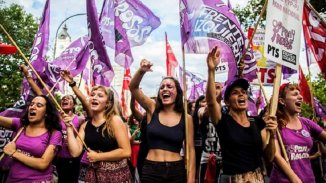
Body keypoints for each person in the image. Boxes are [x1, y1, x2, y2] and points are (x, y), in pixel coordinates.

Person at [206, 46, 277, 182]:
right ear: (226, 101)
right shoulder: (223, 121)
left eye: (243, 92)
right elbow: (211, 102)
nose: (241, 94)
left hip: (257, 178)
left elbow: (270, 157)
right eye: (235, 92)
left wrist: (272, 135)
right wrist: (211, 70)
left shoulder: (257, 122)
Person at [129, 59, 195, 183]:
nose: (164, 89)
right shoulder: (152, 108)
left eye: (169, 86)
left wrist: (191, 179)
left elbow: (190, 150)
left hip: (176, 171)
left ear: (177, 92)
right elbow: (133, 87)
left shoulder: (187, 118)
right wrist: (141, 71)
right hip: (151, 170)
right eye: (162, 87)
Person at [61, 70, 132, 183]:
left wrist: (98, 157)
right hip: (93, 176)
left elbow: (126, 151)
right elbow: (75, 152)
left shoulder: (114, 121)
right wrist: (69, 128)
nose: (94, 98)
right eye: (92, 95)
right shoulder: (85, 125)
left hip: (116, 176)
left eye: (100, 96)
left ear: (107, 103)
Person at [269, 83, 326, 183]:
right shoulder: (275, 124)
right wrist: (295, 179)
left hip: (309, 180)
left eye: (299, 94)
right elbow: (276, 155)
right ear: (282, 101)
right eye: (295, 94)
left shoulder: (306, 122)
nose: (300, 97)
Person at [0, 95, 62, 183]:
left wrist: (14, 153)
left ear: (46, 113)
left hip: (38, 180)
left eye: (39, 105)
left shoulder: (54, 134)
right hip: (12, 180)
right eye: (31, 104)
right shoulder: (21, 124)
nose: (33, 107)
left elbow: (43, 164)